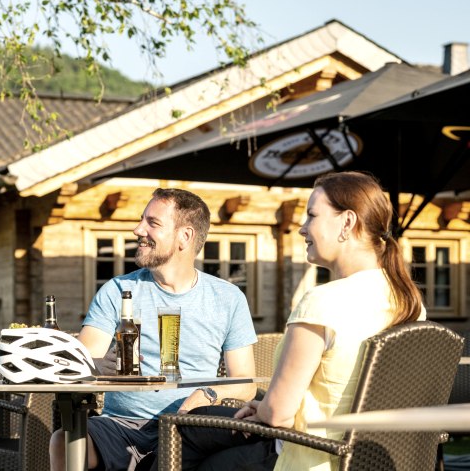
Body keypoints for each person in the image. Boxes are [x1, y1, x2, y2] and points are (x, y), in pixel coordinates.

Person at [167, 171, 427, 471]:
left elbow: (278, 415)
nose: (302, 229)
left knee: (182, 432)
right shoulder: (409, 302)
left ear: (347, 222)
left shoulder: (324, 302)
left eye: (312, 216)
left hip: (308, 457)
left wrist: (266, 408)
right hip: (375, 460)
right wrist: (266, 407)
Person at [49, 188, 257, 471]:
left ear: (185, 236)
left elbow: (245, 381)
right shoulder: (118, 290)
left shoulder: (228, 297)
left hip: (190, 427)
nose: (138, 230)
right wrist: (99, 366)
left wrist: (209, 394)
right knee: (65, 441)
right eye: (141, 220)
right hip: (121, 424)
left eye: (152, 223)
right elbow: (77, 363)